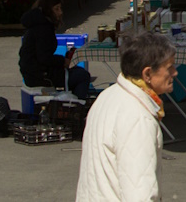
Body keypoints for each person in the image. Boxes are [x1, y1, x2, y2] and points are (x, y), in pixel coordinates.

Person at [76, 30, 177, 202]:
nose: (175, 73)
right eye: (169, 68)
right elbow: (139, 192)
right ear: (147, 74)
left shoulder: (108, 95)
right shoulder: (137, 116)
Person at [19, 0, 93, 95]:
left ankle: (72, 101)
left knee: (77, 72)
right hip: (39, 76)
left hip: (33, 73)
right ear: (47, 10)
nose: (60, 12)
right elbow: (44, 58)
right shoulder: (43, 29)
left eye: (60, 8)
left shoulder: (38, 24)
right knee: (83, 76)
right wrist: (63, 61)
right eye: (56, 9)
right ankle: (77, 103)